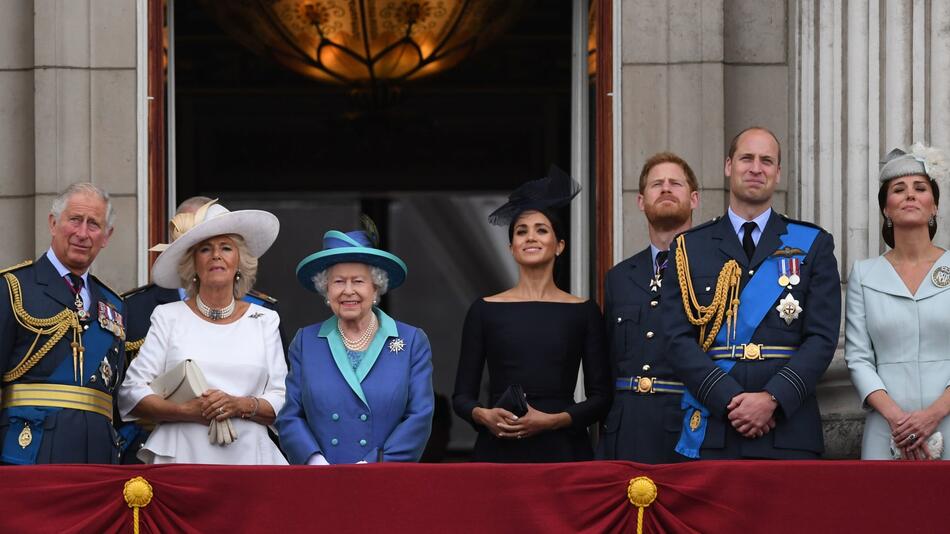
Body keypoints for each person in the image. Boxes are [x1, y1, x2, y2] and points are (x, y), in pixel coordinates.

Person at [661, 127, 841, 459]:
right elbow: (675, 338)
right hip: (715, 425)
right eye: (747, 158)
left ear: (778, 173)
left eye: (767, 161)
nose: (756, 168)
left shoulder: (812, 243)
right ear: (729, 165)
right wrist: (729, 398)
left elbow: (822, 338)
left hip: (788, 427)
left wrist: (771, 399)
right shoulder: (689, 247)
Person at [452, 166, 612, 462]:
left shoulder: (584, 311)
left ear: (559, 245)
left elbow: (601, 397)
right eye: (521, 231)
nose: (530, 237)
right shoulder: (484, 310)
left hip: (563, 450)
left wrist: (553, 420)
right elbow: (462, 397)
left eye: (541, 229)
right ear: (511, 247)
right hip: (499, 447)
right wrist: (483, 415)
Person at [117, 201, 287, 464]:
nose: (216, 255)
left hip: (250, 460)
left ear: (239, 262)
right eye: (205, 249)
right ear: (193, 264)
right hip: (181, 458)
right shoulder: (168, 316)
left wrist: (239, 405)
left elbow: (281, 398)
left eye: (226, 248)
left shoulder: (265, 319)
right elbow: (132, 393)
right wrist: (186, 411)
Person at [276, 219, 434, 464]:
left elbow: (419, 416)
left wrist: (375, 464)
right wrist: (314, 461)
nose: (348, 291)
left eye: (358, 281)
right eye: (338, 281)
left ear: (375, 287)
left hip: (383, 478)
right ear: (326, 290)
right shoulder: (306, 342)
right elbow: (290, 416)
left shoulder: (411, 341)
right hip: (323, 479)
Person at [0, 182, 125, 464]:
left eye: (93, 224)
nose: (82, 233)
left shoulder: (114, 305)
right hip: (29, 452)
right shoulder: (12, 287)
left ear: (106, 236)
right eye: (74, 220)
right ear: (53, 223)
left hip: (98, 455)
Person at [846, 144, 950, 460]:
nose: (910, 195)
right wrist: (896, 418)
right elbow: (859, 357)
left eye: (920, 188)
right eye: (898, 189)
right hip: (887, 427)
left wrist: (933, 414)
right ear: (886, 209)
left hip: (947, 419)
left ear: (934, 207)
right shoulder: (864, 275)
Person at [598, 152, 699, 463]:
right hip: (626, 428)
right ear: (641, 201)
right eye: (657, 184)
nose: (666, 189)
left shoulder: (716, 269)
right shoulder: (619, 277)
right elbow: (610, 361)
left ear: (694, 199)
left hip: (688, 427)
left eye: (675, 183)